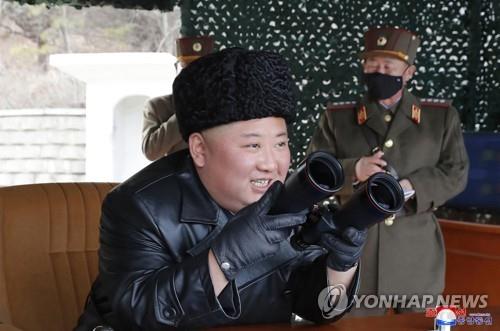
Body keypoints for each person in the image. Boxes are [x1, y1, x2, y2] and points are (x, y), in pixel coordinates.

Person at [76, 48, 368, 330]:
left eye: (280, 143)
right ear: (199, 150)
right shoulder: (137, 206)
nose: (272, 163)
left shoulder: (286, 201)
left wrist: (340, 266)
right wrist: (226, 256)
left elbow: (315, 307)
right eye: (253, 145)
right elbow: (139, 314)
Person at [308, 27, 469, 316]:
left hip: (416, 252)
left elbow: (456, 172)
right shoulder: (338, 118)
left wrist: (409, 186)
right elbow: (314, 171)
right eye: (372, 64)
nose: (378, 72)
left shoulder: (440, 117)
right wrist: (354, 169)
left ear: (408, 72)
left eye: (388, 66)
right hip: (356, 253)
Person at [141, 35, 215, 161]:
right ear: (178, 71)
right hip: (176, 178)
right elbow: (151, 151)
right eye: (187, 70)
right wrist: (184, 112)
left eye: (200, 71)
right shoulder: (158, 106)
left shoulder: (222, 103)